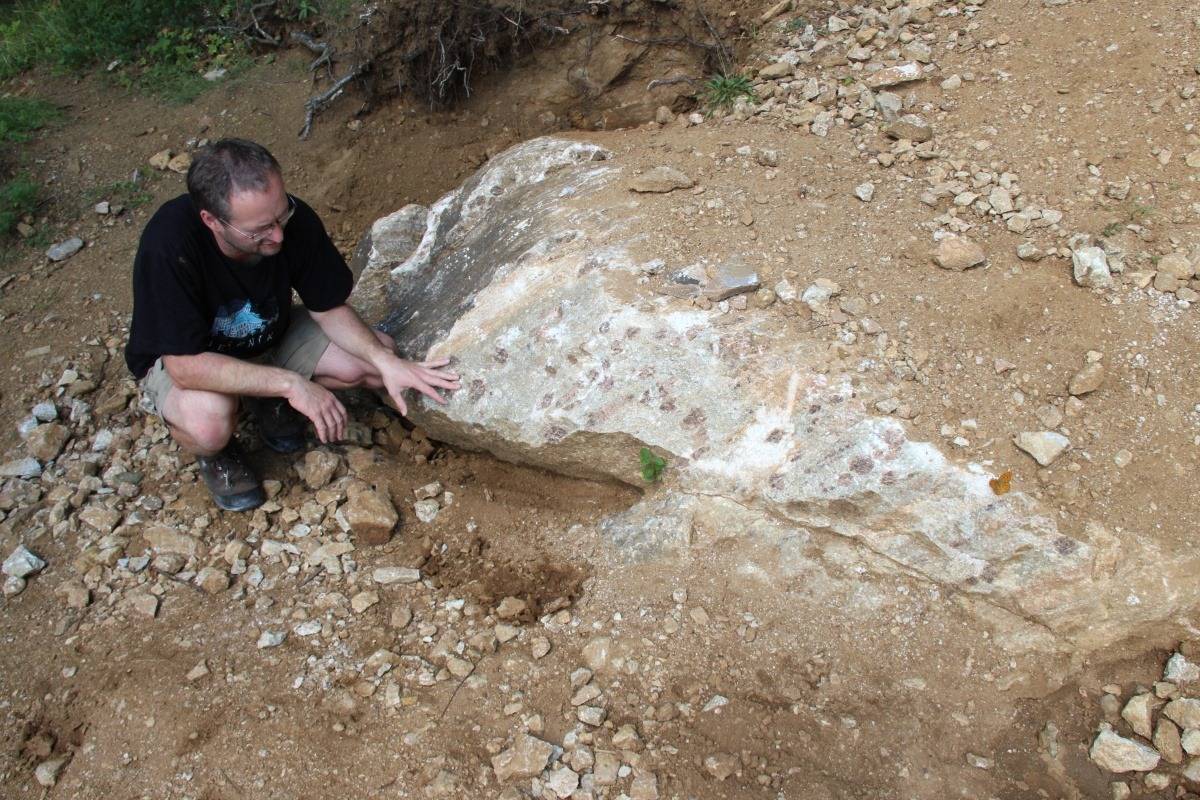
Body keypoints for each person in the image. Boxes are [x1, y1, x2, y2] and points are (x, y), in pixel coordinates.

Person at [124, 138, 460, 512]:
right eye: (260, 231)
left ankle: (266, 400)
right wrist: (291, 384)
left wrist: (385, 361)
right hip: (195, 360)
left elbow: (328, 308)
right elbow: (185, 368)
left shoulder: (292, 221)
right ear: (211, 221)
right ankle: (218, 453)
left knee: (370, 360)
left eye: (281, 216)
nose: (279, 236)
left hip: (269, 335)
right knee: (208, 423)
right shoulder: (169, 246)